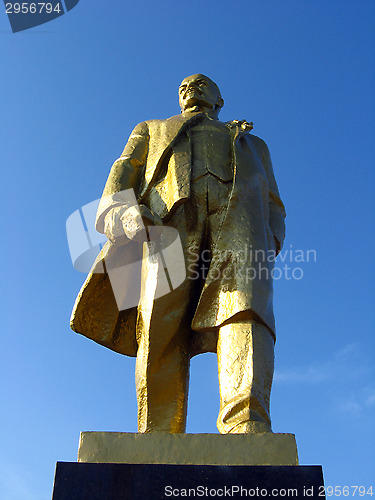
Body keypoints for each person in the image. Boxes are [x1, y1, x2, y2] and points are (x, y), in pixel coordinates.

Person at [71, 74, 286, 434]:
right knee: (160, 321)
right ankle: (157, 431)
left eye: (201, 84)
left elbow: (273, 201)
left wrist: (270, 237)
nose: (190, 89)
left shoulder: (254, 144)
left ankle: (247, 426)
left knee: (246, 314)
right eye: (183, 87)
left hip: (239, 229)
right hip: (166, 224)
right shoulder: (152, 129)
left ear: (220, 100)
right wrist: (119, 212)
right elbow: (123, 169)